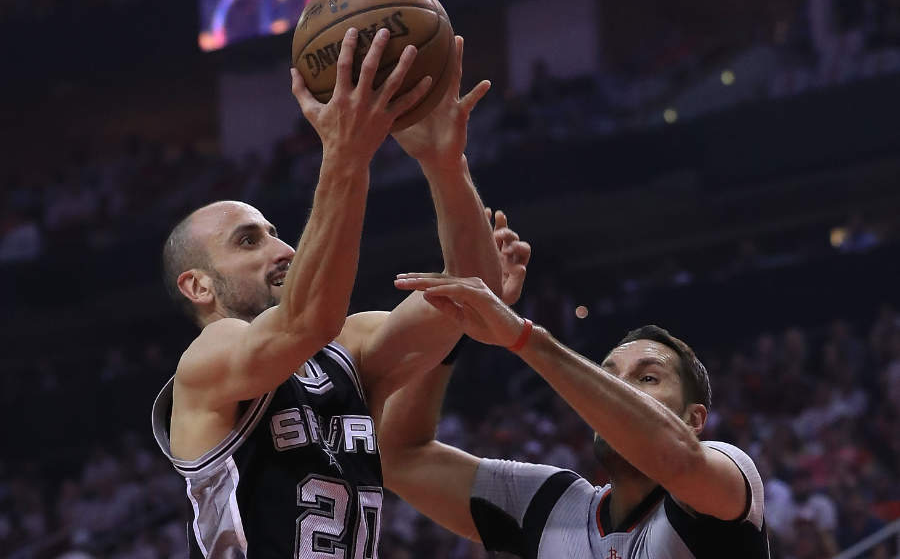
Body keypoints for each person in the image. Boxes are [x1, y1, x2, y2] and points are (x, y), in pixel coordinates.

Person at [150, 28, 505, 558]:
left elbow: (473, 297)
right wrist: (345, 154)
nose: (283, 249)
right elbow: (305, 322)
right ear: (198, 285)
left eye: (275, 233)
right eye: (249, 241)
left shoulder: (350, 347)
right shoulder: (208, 360)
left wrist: (444, 163)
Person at [383, 274, 771, 558]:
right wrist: (451, 318)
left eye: (647, 377)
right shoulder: (550, 503)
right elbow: (400, 457)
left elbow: (680, 460)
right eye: (608, 378)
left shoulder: (731, 476)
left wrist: (523, 338)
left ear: (694, 420)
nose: (619, 389)